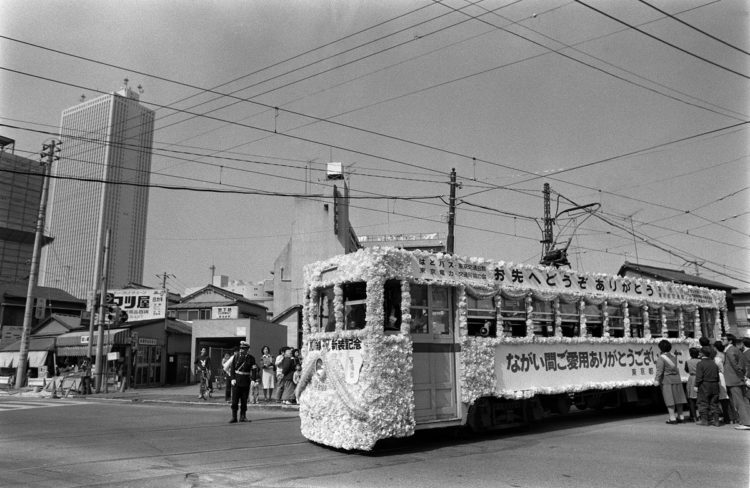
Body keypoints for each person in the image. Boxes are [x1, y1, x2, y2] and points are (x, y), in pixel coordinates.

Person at [654, 339, 687, 424]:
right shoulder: (673, 356)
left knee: (670, 399)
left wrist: (656, 380)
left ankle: (672, 418)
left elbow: (659, 371)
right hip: (677, 379)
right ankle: (681, 416)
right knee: (678, 398)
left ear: (661, 348)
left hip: (667, 380)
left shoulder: (661, 358)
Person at [723, 334, 750, 430]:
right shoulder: (735, 349)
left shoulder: (730, 350)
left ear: (730, 341)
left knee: (739, 402)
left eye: (723, 339)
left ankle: (746, 422)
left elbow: (735, 366)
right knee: (744, 400)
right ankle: (747, 420)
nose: (722, 340)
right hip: (737, 379)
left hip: (734, 379)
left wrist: (740, 374)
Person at [226, 341, 256, 423]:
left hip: (246, 380)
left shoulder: (251, 358)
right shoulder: (235, 357)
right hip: (236, 381)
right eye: (241, 348)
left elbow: (254, 369)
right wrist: (232, 378)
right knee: (235, 400)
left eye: (244, 349)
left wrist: (253, 379)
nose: (242, 350)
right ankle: (234, 417)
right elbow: (232, 369)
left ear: (247, 349)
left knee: (244, 400)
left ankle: (243, 416)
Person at [695, 346, 722, 426]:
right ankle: (716, 421)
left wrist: (696, 385)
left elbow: (699, 377)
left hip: (704, 385)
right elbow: (717, 376)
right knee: (714, 403)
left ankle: (704, 420)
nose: (699, 353)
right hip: (714, 385)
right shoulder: (714, 363)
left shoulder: (700, 364)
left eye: (700, 352)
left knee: (703, 402)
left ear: (702, 354)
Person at [713, 341, 736, 424]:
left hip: (720, 376)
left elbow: (719, 368)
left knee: (723, 397)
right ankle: (733, 417)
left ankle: (727, 417)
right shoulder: (725, 354)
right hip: (727, 375)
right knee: (729, 397)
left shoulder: (717, 357)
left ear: (715, 347)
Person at [684, 347, 700, 422]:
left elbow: (686, 370)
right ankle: (701, 415)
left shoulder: (688, 361)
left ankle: (693, 416)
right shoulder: (700, 361)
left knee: (691, 399)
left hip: (691, 378)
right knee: (700, 398)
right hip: (699, 378)